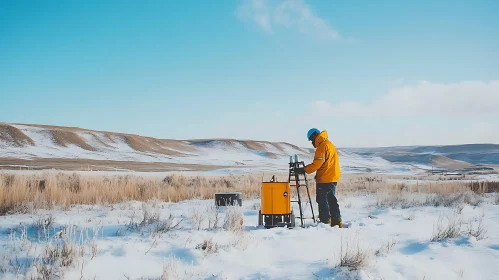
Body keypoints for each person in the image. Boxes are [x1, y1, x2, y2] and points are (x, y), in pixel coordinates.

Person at [294, 128, 342, 228]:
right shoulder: (330, 144)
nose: (312, 142)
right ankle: (337, 221)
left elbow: (317, 164)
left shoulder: (322, 147)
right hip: (332, 177)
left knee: (322, 200)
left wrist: (304, 170)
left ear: (314, 137)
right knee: (331, 200)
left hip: (325, 178)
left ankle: (325, 222)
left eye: (311, 140)